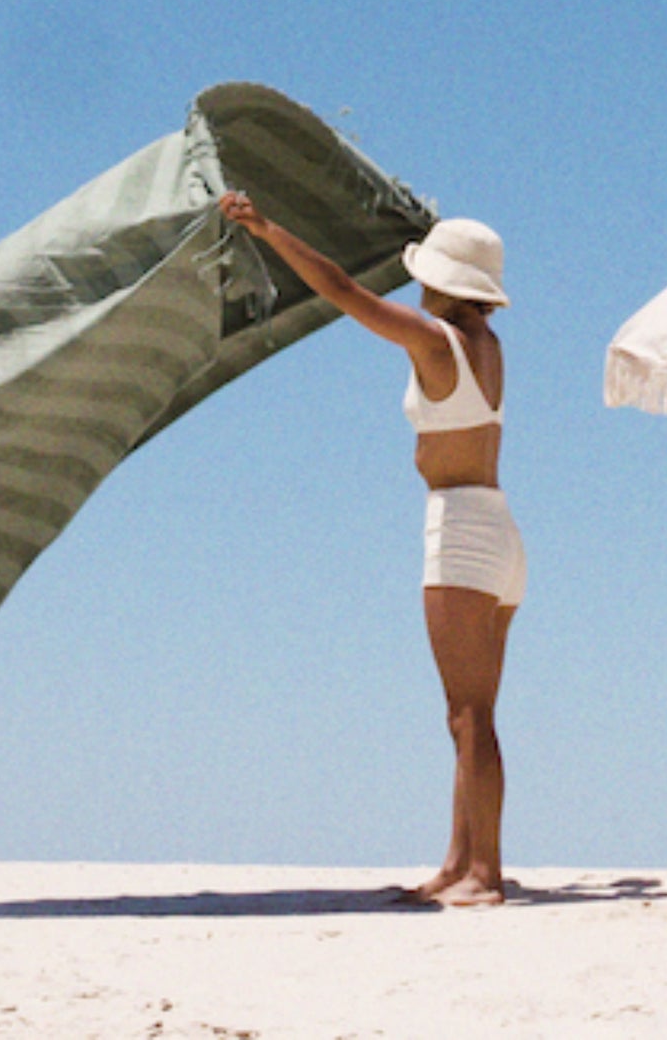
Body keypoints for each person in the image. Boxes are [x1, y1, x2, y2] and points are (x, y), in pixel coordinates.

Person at [217, 192, 524, 908]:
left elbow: (344, 292)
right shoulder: (486, 345)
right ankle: (459, 863)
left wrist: (267, 226)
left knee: (468, 716)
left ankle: (486, 874)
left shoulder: (435, 341)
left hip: (462, 534)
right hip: (498, 531)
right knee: (469, 713)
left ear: (444, 283)